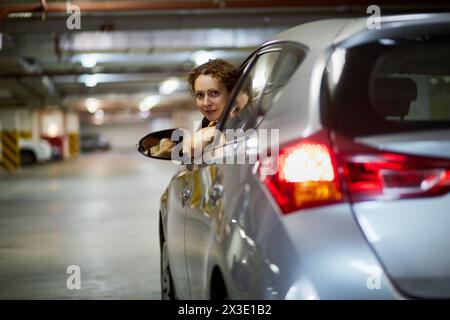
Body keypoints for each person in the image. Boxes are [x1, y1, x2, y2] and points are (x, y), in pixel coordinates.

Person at [152, 58, 244, 159]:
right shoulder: (212, 125)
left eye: (214, 93)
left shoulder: (246, 127)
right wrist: (170, 151)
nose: (206, 103)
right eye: (200, 95)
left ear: (232, 94)